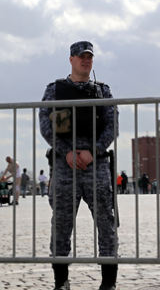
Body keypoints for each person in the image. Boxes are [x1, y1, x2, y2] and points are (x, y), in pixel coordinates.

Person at [39, 41, 118, 290]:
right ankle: (61, 281)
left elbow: (111, 125)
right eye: (81, 57)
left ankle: (108, 282)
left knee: (106, 223)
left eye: (89, 57)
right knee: (61, 225)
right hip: (65, 166)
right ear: (71, 59)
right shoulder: (54, 90)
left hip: (96, 165)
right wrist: (67, 153)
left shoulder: (103, 92)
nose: (86, 61)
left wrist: (93, 151)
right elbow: (46, 125)